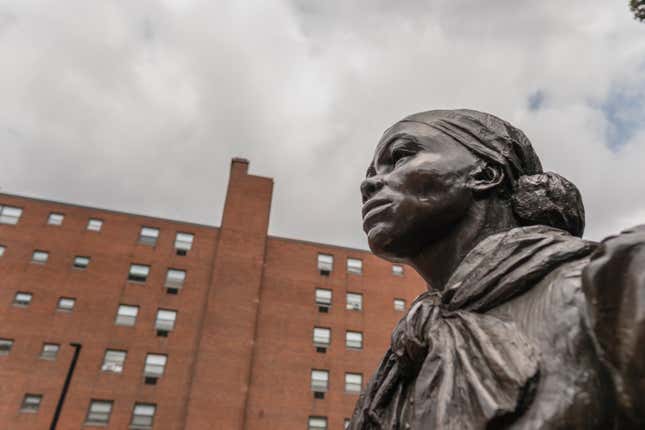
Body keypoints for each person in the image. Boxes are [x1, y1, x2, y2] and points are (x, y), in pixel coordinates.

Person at [349, 109, 645, 429]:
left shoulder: (616, 284)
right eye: (372, 170)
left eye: (400, 156)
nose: (369, 183)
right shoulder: (398, 369)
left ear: (486, 174)